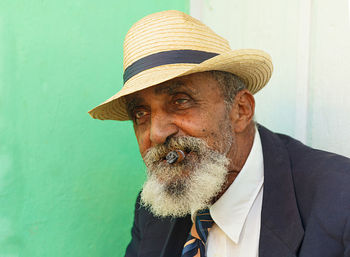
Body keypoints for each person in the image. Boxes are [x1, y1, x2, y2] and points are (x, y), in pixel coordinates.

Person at [88, 10, 350, 257]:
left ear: (240, 110)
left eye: (180, 101)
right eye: (141, 114)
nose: (157, 133)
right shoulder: (156, 210)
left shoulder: (339, 200)